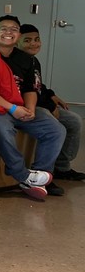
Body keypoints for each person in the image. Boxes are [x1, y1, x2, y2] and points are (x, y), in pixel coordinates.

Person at [0, 15, 66, 199]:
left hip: (22, 106)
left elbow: (30, 89)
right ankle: (21, 174)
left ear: (18, 35)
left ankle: (40, 176)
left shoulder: (28, 60)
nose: (8, 32)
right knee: (2, 129)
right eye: (3, 28)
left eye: (14, 29)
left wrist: (31, 109)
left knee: (56, 129)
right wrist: (11, 109)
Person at [18, 24, 84, 181]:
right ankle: (41, 174)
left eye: (37, 39)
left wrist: (51, 95)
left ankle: (61, 167)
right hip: (27, 106)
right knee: (56, 129)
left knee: (74, 121)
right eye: (27, 40)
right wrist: (50, 105)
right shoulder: (18, 62)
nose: (33, 44)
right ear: (17, 42)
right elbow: (26, 90)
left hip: (41, 102)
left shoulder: (34, 61)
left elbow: (37, 85)